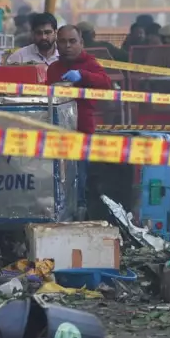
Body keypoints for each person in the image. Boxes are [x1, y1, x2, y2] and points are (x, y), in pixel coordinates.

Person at [47, 25, 112, 212]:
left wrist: (82, 75)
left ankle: (80, 215)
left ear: (81, 43)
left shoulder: (89, 63)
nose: (67, 46)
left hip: (82, 130)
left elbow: (106, 83)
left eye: (72, 41)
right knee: (57, 177)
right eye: (62, 41)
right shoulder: (53, 68)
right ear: (57, 44)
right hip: (57, 132)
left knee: (80, 177)